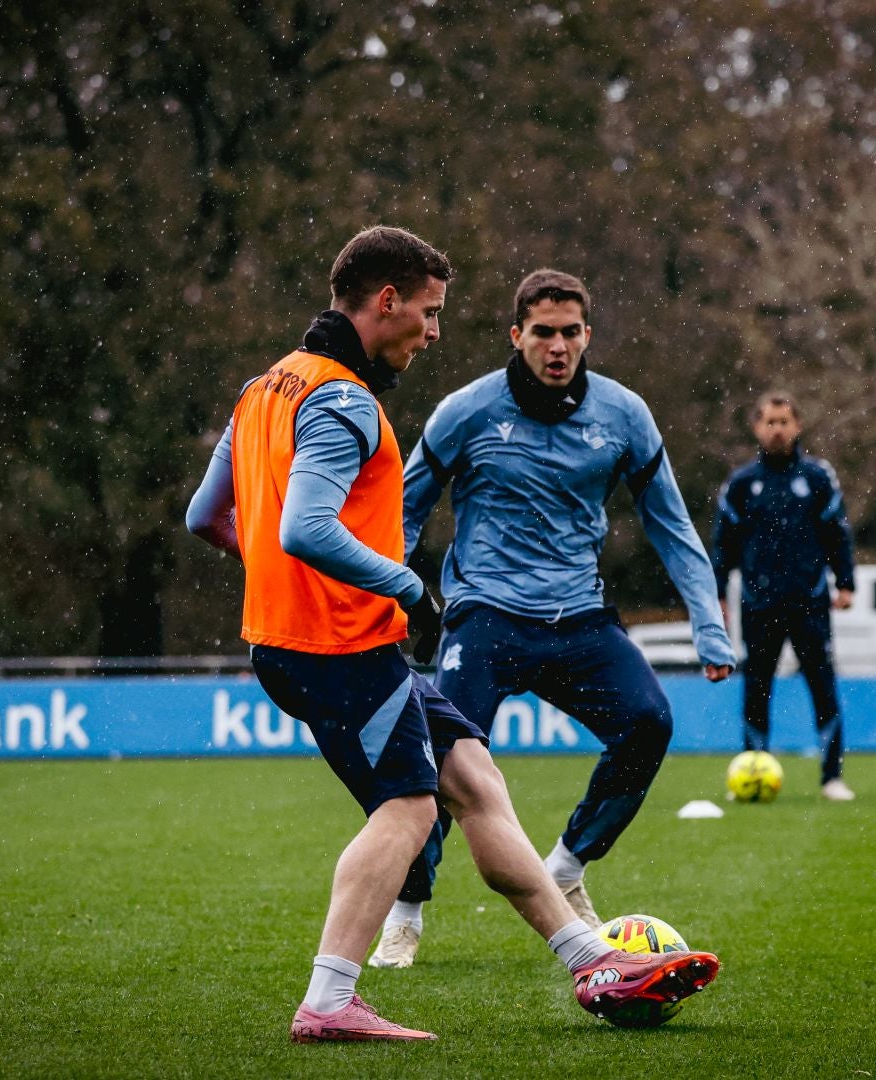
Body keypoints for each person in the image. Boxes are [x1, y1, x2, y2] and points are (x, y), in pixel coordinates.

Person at [184, 228, 718, 1043]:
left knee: (474, 777)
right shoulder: (340, 398)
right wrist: (406, 586)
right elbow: (303, 526)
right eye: (429, 313)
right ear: (385, 301)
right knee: (406, 809)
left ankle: (591, 962)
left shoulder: (265, 389)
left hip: (308, 638)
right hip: (337, 647)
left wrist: (285, 579)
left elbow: (207, 516)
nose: (434, 333)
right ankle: (329, 1001)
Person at [366, 267, 735, 970]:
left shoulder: (624, 414)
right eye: (543, 332)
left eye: (570, 332)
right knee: (441, 761)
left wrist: (708, 623)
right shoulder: (467, 411)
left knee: (649, 722)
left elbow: (673, 527)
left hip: (581, 617)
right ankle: (405, 912)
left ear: (587, 335)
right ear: (517, 336)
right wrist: (383, 594)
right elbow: (402, 513)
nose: (557, 346)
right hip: (484, 617)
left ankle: (567, 866)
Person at [712, 391, 859, 800]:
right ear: (757, 428)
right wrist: (718, 593)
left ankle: (832, 777)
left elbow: (837, 532)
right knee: (756, 688)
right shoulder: (742, 483)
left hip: (810, 601)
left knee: (822, 685)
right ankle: (754, 769)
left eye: (784, 422)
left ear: (797, 426)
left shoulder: (816, 477)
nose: (777, 430)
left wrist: (845, 582)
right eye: (769, 422)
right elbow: (722, 543)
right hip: (758, 604)